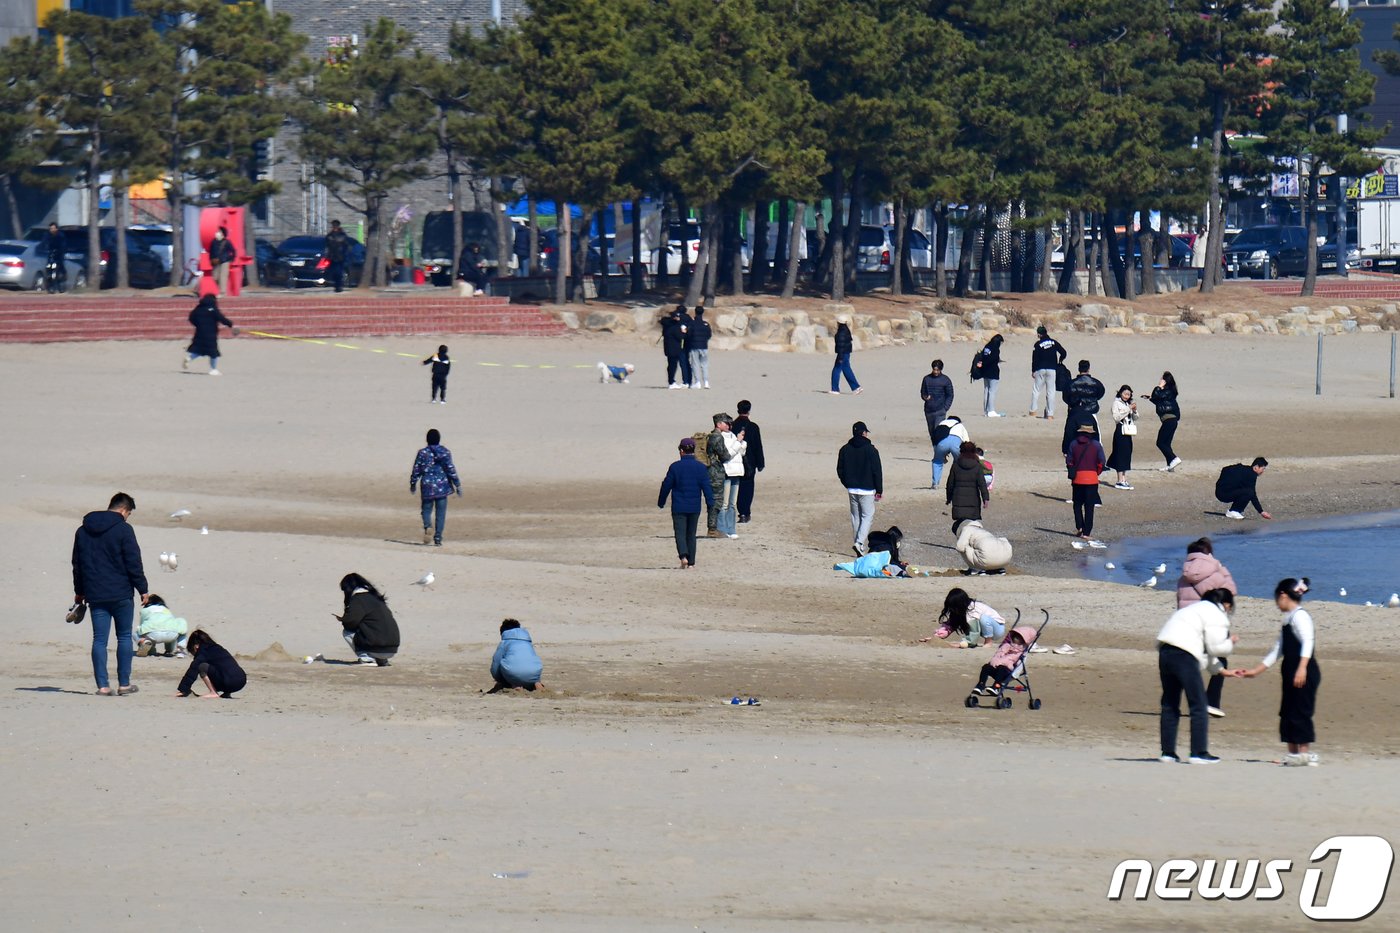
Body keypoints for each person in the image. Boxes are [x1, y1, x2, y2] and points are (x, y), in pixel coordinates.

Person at [1233, 578, 1321, 767]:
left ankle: (1304, 753)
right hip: (1291, 669)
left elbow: (1308, 641)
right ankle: (1293, 754)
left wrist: (1302, 668)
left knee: (1301, 711)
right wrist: (1255, 671)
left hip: (1304, 670)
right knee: (1288, 710)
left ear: (1282, 595)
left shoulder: (1300, 616)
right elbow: (1277, 650)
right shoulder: (1288, 619)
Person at [72, 492, 150, 696]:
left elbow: (77, 565)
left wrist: (79, 592)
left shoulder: (83, 530)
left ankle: (103, 686)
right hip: (122, 593)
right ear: (124, 510)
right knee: (124, 637)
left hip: (95, 594)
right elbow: (133, 562)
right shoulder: (124, 529)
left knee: (99, 639)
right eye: (129, 513)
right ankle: (124, 684)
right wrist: (143, 589)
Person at [1156, 588, 1237, 764]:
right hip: (1184, 656)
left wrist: (1221, 670)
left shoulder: (1191, 610)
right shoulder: (1216, 613)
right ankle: (1198, 752)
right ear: (1227, 604)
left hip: (1165, 652)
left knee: (1170, 703)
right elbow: (1216, 648)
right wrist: (1230, 643)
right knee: (1199, 704)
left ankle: (1168, 753)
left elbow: (1204, 649)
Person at [1177, 537, 1238, 719]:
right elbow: (1230, 592)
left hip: (1188, 624)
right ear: (1209, 554)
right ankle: (1211, 702)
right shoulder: (1215, 573)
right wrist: (1221, 568)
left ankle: (1178, 701)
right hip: (1211, 623)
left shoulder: (1183, 576)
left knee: (1190, 664)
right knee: (1221, 662)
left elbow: (1179, 601)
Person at [658, 436, 715, 568]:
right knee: (691, 534)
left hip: (678, 506)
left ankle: (683, 556)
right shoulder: (701, 468)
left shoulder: (675, 467)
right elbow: (706, 487)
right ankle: (691, 562)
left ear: (681, 451)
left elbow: (666, 485)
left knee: (680, 533)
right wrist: (710, 502)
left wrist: (661, 501)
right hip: (694, 507)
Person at [409, 428, 462, 547]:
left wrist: (413, 483)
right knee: (441, 514)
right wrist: (457, 484)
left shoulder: (422, 453)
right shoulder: (445, 452)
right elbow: (450, 469)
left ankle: (428, 526)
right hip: (442, 486)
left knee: (426, 511)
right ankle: (438, 538)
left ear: (427, 440)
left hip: (427, 486)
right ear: (439, 439)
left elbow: (416, 469)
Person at [837, 421, 882, 556]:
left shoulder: (845, 449)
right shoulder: (871, 450)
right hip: (866, 490)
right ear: (863, 433)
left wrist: (847, 483)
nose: (867, 434)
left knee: (856, 516)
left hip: (852, 489)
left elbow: (840, 470)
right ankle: (860, 543)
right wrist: (879, 490)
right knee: (867, 516)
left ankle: (858, 544)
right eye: (866, 432)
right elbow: (877, 471)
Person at [336, 573, 400, 666]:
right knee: (370, 628)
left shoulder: (359, 599)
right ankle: (381, 660)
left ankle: (367, 658)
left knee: (347, 632)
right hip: (392, 647)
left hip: (378, 647)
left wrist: (344, 616)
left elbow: (350, 623)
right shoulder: (375, 597)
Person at [920, 588, 1007, 648]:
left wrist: (964, 644)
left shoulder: (973, 610)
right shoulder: (960, 611)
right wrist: (935, 638)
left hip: (997, 628)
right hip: (986, 629)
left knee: (984, 619)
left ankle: (989, 642)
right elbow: (950, 626)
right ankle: (988, 640)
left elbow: (974, 632)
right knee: (982, 620)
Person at [175, 629, 246, 698]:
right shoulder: (217, 648)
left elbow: (193, 669)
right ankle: (227, 693)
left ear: (196, 646)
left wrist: (183, 689)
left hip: (230, 682)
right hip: (241, 680)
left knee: (202, 666)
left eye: (193, 653)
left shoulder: (203, 652)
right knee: (223, 667)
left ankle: (213, 692)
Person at [1066, 423, 1106, 544]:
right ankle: (1087, 533)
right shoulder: (1096, 445)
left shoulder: (1073, 444)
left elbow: (1069, 462)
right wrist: (1096, 473)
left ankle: (1080, 527)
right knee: (1089, 507)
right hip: (1092, 479)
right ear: (1091, 434)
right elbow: (1102, 462)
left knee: (1077, 504)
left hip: (1077, 478)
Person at [705, 413, 742, 537]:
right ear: (718, 424)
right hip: (719, 472)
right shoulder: (717, 437)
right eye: (726, 423)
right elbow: (725, 455)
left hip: (726, 472)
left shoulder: (720, 436)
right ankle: (718, 529)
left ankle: (725, 529)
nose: (728, 425)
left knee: (728, 503)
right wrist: (738, 443)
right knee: (720, 503)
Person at [969, 626, 1036, 695]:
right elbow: (998, 654)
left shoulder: (1022, 652)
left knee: (1001, 668)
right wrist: (994, 661)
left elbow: (1019, 665)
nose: (1016, 638)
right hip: (996, 667)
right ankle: (981, 685)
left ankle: (996, 687)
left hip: (1007, 671)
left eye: (1019, 637)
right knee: (986, 667)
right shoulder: (1006, 645)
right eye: (1015, 636)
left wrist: (1014, 672)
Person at [184, 295, 236, 375]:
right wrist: (230, 324)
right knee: (213, 352)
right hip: (211, 334)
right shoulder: (213, 309)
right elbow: (221, 318)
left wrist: (197, 324)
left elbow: (191, 317)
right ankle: (213, 369)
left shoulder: (198, 309)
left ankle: (189, 358)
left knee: (199, 349)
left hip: (199, 333)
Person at [1061, 360, 1105, 454]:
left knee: (1073, 435)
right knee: (1096, 436)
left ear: (1079, 369)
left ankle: (1072, 456)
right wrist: (1092, 400)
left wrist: (1073, 404)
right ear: (1088, 369)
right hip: (1091, 411)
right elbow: (1100, 393)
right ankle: (1097, 457)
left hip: (1075, 412)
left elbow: (1065, 397)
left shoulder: (1071, 383)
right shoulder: (1096, 383)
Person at [731, 400, 765, 523]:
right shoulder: (753, 427)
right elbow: (758, 446)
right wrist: (760, 463)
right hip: (749, 463)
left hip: (733, 461)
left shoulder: (732, 425)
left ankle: (734, 511)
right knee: (747, 488)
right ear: (749, 410)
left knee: (735, 487)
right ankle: (744, 513)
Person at [490, 619, 544, 691]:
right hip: (535, 673)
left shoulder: (505, 642)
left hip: (514, 674)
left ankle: (516, 685)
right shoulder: (527, 641)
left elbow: (496, 664)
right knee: (528, 666)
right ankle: (537, 683)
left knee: (508, 667)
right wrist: (537, 678)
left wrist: (498, 679)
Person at [946, 440, 988, 525]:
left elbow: (950, 484)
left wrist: (949, 498)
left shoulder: (956, 465)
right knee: (972, 526)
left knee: (960, 526)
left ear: (961, 451)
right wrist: (985, 498)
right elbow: (982, 484)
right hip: (973, 502)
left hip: (958, 501)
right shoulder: (977, 466)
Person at [1146, 372, 1182, 471]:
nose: (1160, 380)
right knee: (1166, 443)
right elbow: (1160, 400)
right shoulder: (1169, 392)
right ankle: (1170, 465)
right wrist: (1150, 399)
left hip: (1169, 420)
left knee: (1160, 443)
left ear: (1165, 381)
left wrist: (1159, 386)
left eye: (1162, 379)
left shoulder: (1167, 391)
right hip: (1171, 421)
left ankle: (1174, 458)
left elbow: (1157, 394)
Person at [1029, 326, 1067, 419]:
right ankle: (1050, 414)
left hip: (1040, 369)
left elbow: (1034, 359)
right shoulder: (1054, 342)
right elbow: (1063, 352)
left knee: (1036, 390)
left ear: (1039, 334)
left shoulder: (1037, 344)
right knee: (1050, 392)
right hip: (1052, 369)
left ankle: (1033, 411)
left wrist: (1033, 370)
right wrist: (1060, 360)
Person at [1106, 385, 1137, 490]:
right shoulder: (1116, 403)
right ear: (1120, 393)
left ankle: (1124, 479)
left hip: (1128, 431)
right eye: (1125, 394)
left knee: (1127, 454)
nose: (1127, 396)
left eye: (1128, 394)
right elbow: (1116, 417)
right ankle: (1119, 480)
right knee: (1120, 454)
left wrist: (1134, 410)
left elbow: (1135, 418)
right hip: (1120, 430)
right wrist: (1128, 409)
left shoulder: (1128, 403)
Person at [930, 415, 970, 488]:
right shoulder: (960, 425)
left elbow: (935, 438)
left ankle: (935, 483)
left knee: (937, 462)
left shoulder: (942, 423)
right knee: (959, 462)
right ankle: (959, 482)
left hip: (941, 443)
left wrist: (940, 454)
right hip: (956, 442)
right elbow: (967, 442)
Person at [920, 359, 955, 442]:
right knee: (932, 433)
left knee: (938, 432)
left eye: (937, 370)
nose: (935, 371)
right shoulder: (926, 379)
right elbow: (922, 392)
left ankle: (941, 452)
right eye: (934, 369)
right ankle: (936, 451)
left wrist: (945, 408)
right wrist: (925, 397)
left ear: (940, 370)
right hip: (929, 410)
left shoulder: (945, 380)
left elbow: (950, 395)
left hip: (940, 411)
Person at [970, 334, 1004, 417]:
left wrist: (983, 364)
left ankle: (986, 411)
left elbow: (984, 358)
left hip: (985, 372)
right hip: (993, 372)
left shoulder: (987, 347)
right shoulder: (995, 348)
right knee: (992, 392)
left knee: (986, 391)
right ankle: (991, 410)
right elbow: (993, 359)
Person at [830, 315, 861, 395]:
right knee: (846, 369)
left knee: (836, 370)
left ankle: (835, 389)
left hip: (842, 353)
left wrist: (840, 356)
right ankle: (856, 387)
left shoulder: (841, 333)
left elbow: (841, 345)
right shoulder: (846, 330)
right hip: (846, 352)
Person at [661, 305, 688, 389]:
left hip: (668, 348)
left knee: (671, 365)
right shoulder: (674, 327)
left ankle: (671, 381)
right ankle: (671, 382)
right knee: (673, 366)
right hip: (674, 348)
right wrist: (684, 332)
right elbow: (680, 336)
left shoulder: (667, 326)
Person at [687, 306, 712, 389]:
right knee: (704, 365)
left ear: (695, 312)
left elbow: (689, 335)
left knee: (695, 364)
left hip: (694, 346)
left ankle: (697, 382)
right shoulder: (706, 324)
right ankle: (706, 382)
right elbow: (709, 335)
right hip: (704, 346)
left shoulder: (692, 324)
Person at [209, 226, 236, 295]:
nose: (217, 233)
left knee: (223, 276)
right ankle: (219, 289)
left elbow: (233, 250)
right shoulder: (213, 242)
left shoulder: (226, 242)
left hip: (224, 261)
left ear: (223, 234)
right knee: (215, 277)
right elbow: (211, 251)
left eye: (219, 232)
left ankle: (222, 292)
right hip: (216, 261)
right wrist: (211, 260)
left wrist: (231, 259)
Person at [325, 219, 350, 292]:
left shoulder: (342, 235)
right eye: (333, 226)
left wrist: (344, 254)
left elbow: (346, 246)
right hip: (332, 257)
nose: (334, 227)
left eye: (335, 226)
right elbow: (327, 246)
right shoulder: (329, 236)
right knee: (334, 272)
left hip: (340, 257)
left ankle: (339, 286)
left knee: (339, 272)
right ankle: (336, 285)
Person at [45, 222, 67, 291]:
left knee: (59, 268)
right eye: (51, 228)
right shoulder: (47, 235)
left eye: (53, 228)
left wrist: (61, 251)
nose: (52, 230)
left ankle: (60, 283)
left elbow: (63, 245)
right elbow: (44, 243)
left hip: (59, 255)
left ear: (56, 229)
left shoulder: (60, 236)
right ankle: (49, 282)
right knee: (48, 267)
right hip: (51, 254)